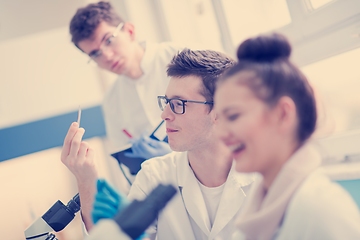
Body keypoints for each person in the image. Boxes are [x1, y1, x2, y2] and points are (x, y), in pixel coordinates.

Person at [62, 49, 255, 239]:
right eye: (166, 102)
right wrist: (86, 180)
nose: (165, 115)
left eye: (179, 104)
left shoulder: (265, 177)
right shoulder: (153, 176)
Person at [214, 33, 360, 240]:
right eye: (219, 118)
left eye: (233, 116)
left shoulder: (321, 210)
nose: (221, 133)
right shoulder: (261, 204)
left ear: (283, 114)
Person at [69, 1, 183, 186]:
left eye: (108, 40)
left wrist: (179, 158)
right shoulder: (112, 102)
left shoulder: (182, 57)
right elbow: (132, 171)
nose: (106, 55)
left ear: (129, 31)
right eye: (95, 53)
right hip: (168, 192)